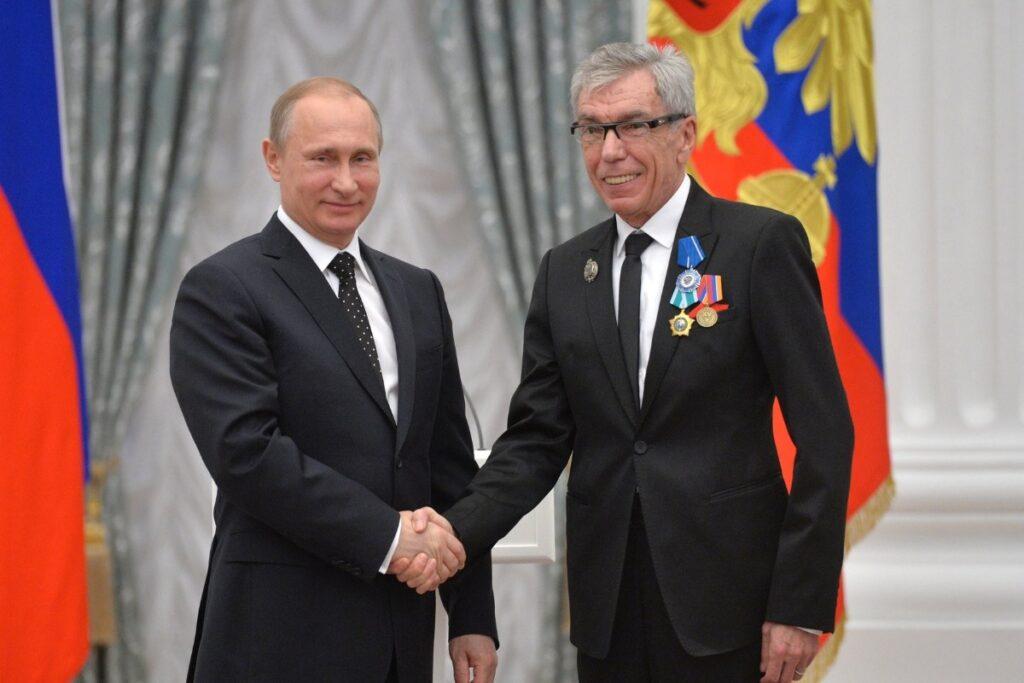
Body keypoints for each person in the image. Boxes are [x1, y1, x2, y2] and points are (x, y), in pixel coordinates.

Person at [420, 43, 853, 683]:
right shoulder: (565, 271)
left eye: (633, 126)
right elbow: (537, 440)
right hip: (609, 611)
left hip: (731, 606)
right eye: (592, 130)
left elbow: (825, 435)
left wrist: (799, 603)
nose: (610, 151)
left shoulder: (758, 244)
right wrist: (452, 534)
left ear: (685, 134)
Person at [169, 77, 498, 683]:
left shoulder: (418, 289)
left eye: (362, 158)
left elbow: (446, 461)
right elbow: (247, 454)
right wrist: (391, 538)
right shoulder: (222, 288)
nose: (346, 182)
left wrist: (471, 614)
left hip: (401, 638)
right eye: (323, 158)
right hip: (279, 637)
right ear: (273, 159)